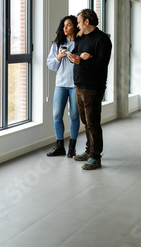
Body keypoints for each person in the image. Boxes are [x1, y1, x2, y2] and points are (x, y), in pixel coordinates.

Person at [68, 9, 112, 170]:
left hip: (93, 87)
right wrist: (78, 56)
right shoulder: (81, 38)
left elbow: (101, 64)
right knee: (86, 122)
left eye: (79, 22)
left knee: (93, 123)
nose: (77, 25)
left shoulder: (103, 40)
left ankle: (95, 157)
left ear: (87, 22)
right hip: (79, 85)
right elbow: (74, 54)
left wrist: (83, 60)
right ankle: (89, 151)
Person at [46, 15, 80, 158]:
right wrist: (59, 57)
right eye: (64, 26)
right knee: (56, 115)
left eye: (69, 25)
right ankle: (60, 146)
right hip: (61, 84)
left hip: (75, 84)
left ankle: (72, 146)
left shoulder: (81, 42)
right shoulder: (57, 44)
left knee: (74, 115)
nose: (65, 28)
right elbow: (51, 65)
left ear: (75, 26)